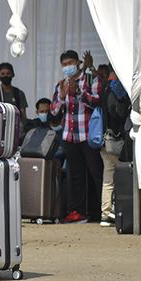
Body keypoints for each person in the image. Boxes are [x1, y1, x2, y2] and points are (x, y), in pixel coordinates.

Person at [51, 50, 103, 224]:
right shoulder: (61, 85)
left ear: (78, 63)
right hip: (69, 136)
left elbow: (97, 102)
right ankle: (78, 212)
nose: (68, 67)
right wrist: (63, 96)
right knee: (75, 175)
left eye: (71, 63)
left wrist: (78, 92)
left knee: (96, 172)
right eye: (64, 65)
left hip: (87, 135)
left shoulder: (89, 79)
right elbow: (54, 111)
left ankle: (102, 211)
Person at [98, 65, 130, 226]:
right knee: (119, 177)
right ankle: (114, 212)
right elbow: (118, 113)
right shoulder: (115, 90)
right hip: (116, 141)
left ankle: (105, 213)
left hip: (105, 140)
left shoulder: (104, 88)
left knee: (108, 178)